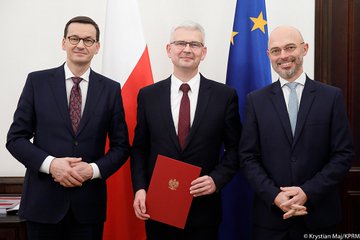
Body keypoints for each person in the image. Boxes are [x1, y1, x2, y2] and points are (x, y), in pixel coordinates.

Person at [6, 16, 130, 240]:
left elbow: (121, 147)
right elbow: (16, 138)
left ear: (97, 47)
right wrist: (51, 165)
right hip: (42, 205)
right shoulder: (37, 82)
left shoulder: (111, 89)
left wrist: (92, 170)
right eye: (74, 38)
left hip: (88, 207)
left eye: (88, 40)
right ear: (63, 42)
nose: (81, 45)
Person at [239, 25, 354, 239]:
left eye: (290, 47)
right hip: (271, 220)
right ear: (268, 55)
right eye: (276, 50)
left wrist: (307, 192)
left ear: (305, 48)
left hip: (319, 218)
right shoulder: (256, 100)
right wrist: (275, 196)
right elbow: (248, 158)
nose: (283, 56)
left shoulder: (331, 97)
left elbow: (343, 155)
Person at [130, 21, 241, 240]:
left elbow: (237, 148)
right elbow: (139, 149)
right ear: (168, 50)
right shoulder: (148, 95)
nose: (187, 49)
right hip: (158, 206)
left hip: (203, 211)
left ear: (204, 52)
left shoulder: (224, 96)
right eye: (180, 43)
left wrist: (216, 179)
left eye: (195, 44)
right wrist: (140, 188)